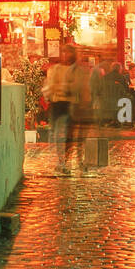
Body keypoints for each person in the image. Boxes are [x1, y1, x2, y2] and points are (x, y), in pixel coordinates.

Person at [44, 43, 77, 173]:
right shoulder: (56, 69)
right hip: (58, 104)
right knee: (59, 134)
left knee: (68, 135)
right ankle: (61, 161)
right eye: (63, 52)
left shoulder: (76, 70)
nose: (65, 55)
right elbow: (50, 86)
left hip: (71, 105)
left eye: (68, 52)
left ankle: (65, 161)